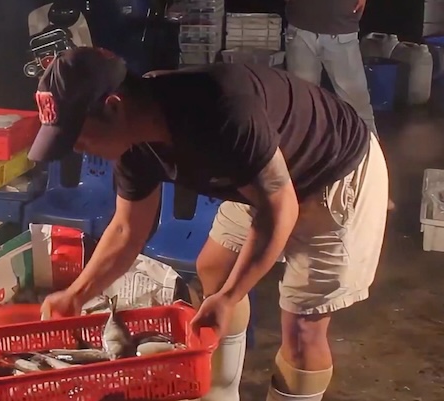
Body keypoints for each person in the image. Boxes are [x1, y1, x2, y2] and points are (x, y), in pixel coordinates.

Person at [30, 47, 388, 401]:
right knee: (214, 267)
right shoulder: (133, 142)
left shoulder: (219, 108)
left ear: (113, 106)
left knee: (302, 328)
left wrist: (230, 297)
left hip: (333, 174)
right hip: (264, 177)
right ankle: (221, 393)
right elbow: (126, 229)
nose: (77, 148)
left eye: (77, 135)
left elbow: (281, 208)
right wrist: (76, 295)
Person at [284, 0, 394, 210]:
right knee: (303, 111)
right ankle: (301, 189)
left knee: (359, 112)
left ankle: (376, 189)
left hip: (339, 27)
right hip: (300, 28)